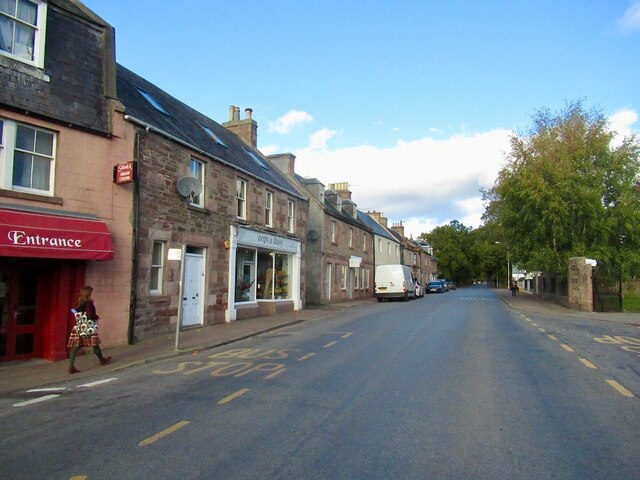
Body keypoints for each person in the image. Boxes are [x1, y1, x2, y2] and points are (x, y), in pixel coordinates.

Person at [67, 285, 111, 374]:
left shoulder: (79, 302)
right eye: (91, 292)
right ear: (88, 293)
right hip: (88, 327)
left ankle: (71, 367)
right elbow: (90, 315)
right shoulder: (89, 303)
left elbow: (75, 312)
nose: (92, 294)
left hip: (79, 327)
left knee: (75, 347)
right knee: (94, 344)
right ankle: (102, 360)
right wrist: (96, 316)